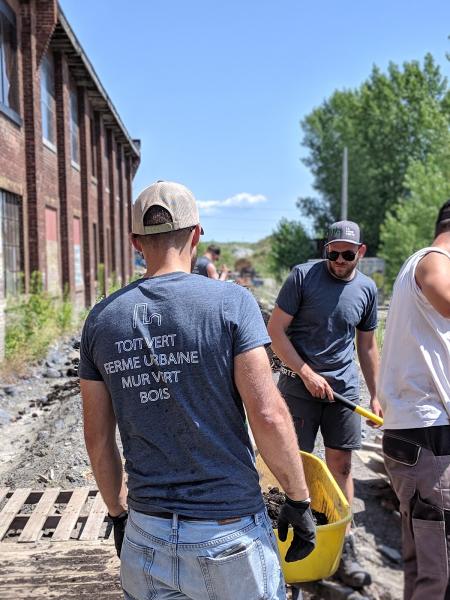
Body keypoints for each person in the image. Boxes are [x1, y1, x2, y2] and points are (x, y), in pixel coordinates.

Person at [79, 180, 316, 600]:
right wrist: (298, 500)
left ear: (136, 241)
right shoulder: (231, 304)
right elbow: (268, 415)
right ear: (196, 234)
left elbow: (98, 442)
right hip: (229, 537)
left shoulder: (101, 320)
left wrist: (118, 515)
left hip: (146, 536)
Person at [268, 220, 381, 590]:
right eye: (332, 253)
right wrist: (306, 374)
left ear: (359, 253)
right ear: (326, 250)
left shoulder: (366, 289)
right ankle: (287, 544)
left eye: (347, 255)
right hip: (299, 389)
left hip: (343, 392)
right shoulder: (302, 277)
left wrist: (376, 395)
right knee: (293, 464)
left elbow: (366, 346)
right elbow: (276, 330)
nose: (338, 260)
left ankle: (342, 550)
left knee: (342, 467)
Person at [378, 200, 450, 600]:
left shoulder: (418, 264)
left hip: (416, 437)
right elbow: (443, 291)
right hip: (429, 438)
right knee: (441, 575)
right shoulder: (433, 260)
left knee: (424, 569)